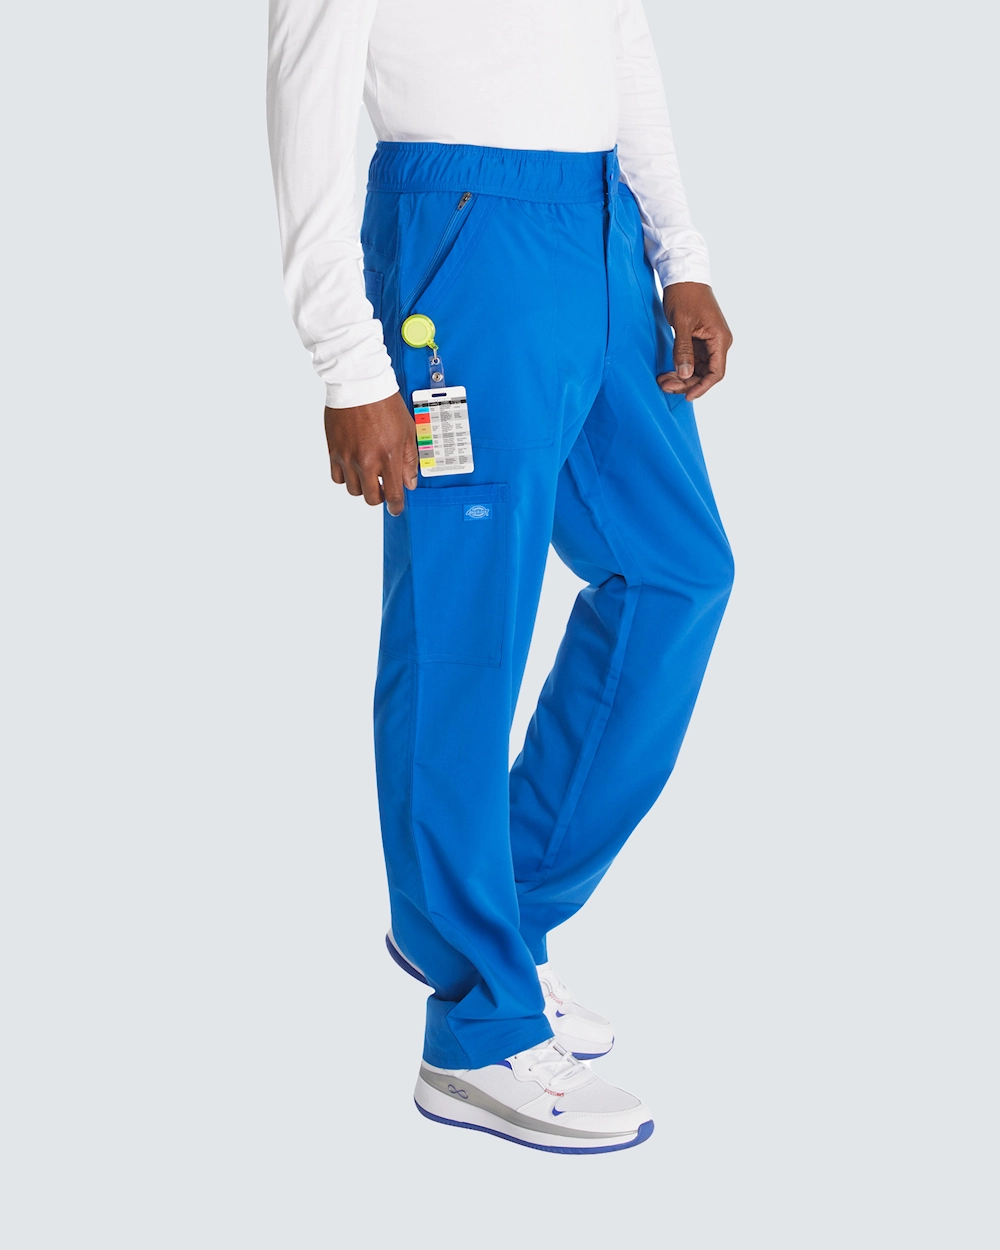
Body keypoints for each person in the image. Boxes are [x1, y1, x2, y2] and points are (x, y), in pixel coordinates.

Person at [267, 0, 734, 1155]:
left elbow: (619, 39)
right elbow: (305, 101)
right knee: (464, 627)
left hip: (599, 227)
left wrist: (677, 253)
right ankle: (475, 1034)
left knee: (675, 571)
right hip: (466, 239)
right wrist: (348, 361)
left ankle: (484, 920)